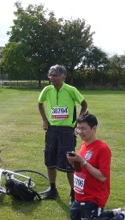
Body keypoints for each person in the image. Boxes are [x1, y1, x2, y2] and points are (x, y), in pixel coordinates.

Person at [38, 65, 88, 201]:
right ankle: (52, 189)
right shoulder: (47, 90)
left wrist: (79, 121)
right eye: (50, 75)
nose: (51, 78)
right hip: (52, 130)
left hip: (67, 130)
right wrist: (45, 120)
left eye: (55, 75)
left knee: (69, 162)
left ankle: (74, 192)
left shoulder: (71, 90)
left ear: (63, 77)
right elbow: (40, 103)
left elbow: (84, 104)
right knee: (50, 160)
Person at [66, 112, 112, 220]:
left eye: (83, 129)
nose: (80, 132)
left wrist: (83, 162)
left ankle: (119, 216)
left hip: (93, 197)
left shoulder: (103, 149)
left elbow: (102, 177)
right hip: (79, 196)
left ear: (94, 128)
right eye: (78, 128)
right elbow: (80, 169)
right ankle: (103, 214)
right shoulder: (84, 145)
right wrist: (73, 162)